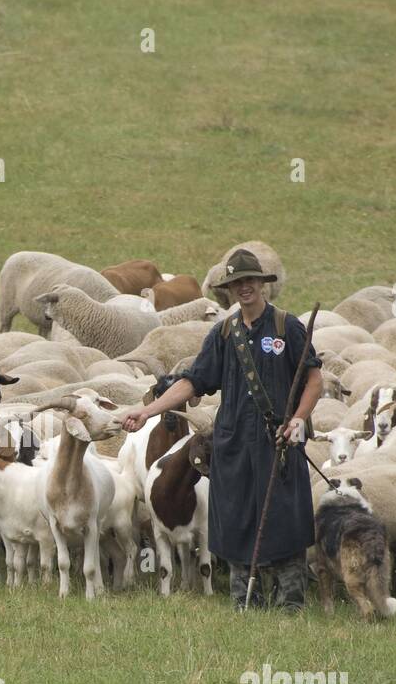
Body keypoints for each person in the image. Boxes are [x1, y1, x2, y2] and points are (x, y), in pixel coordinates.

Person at [122, 249, 322, 610]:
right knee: (236, 517)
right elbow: (194, 382)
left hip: (277, 441)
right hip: (232, 444)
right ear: (229, 290)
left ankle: (290, 602)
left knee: (283, 515)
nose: (244, 288)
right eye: (236, 283)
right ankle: (246, 600)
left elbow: (313, 379)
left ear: (262, 284)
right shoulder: (224, 334)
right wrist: (147, 410)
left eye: (249, 281)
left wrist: (297, 419)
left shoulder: (285, 327)